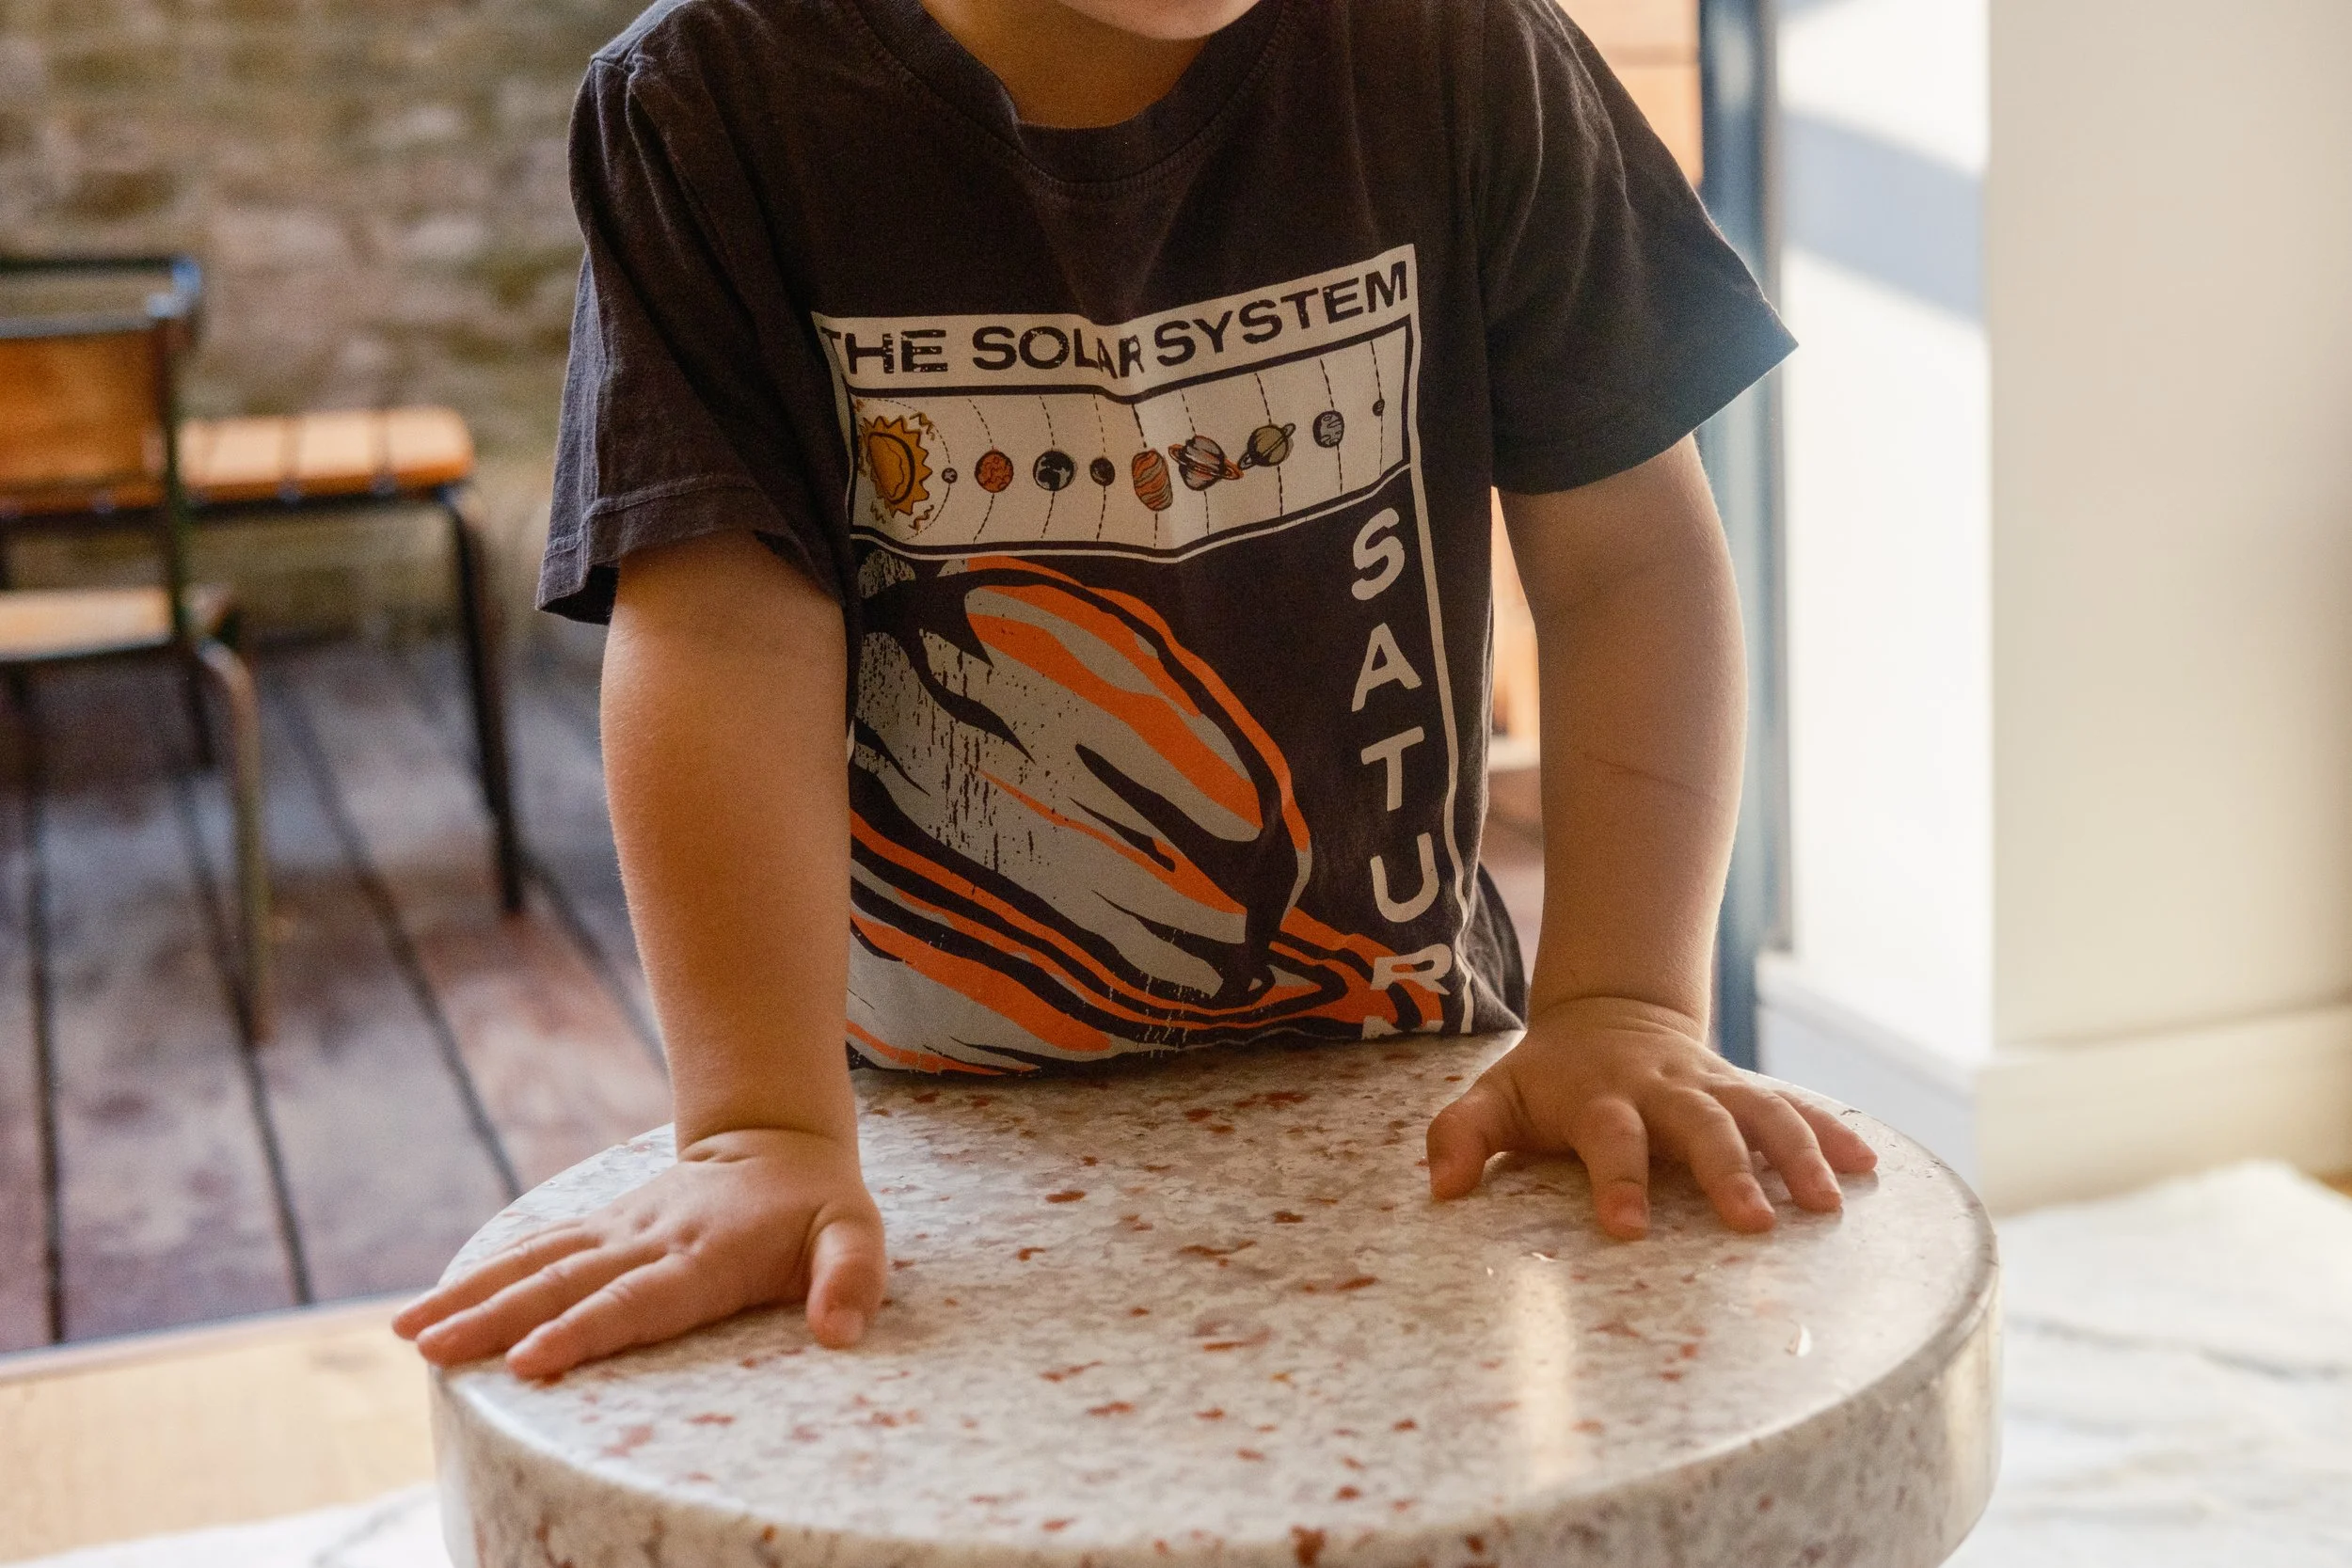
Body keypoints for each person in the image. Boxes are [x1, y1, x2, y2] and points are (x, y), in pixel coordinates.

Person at [396, 0, 1878, 1380]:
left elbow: (1630, 567)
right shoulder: (709, 105)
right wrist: (753, 1128)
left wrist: (1624, 997)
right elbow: (719, 636)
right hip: (926, 1151)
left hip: (1408, 1100)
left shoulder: (1459, 46)